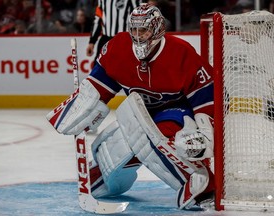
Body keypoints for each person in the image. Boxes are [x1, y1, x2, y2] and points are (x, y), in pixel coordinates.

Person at [47, 3, 215, 210]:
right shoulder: (119, 47)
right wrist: (81, 105)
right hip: (141, 114)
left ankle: (204, 185)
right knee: (118, 147)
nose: (138, 35)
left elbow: (206, 98)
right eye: (134, 29)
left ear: (157, 29)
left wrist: (206, 132)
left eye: (143, 29)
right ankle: (103, 179)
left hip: (179, 112)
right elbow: (99, 85)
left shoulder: (181, 53)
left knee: (153, 137)